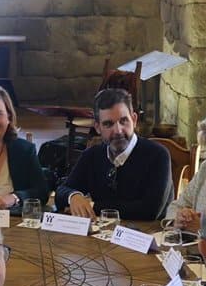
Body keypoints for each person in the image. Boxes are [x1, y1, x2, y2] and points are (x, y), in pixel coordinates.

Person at [56, 88, 172, 221]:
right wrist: (73, 196)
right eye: (108, 124)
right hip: (101, 236)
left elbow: (150, 211)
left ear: (134, 120)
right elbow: (61, 192)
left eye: (123, 121)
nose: (118, 130)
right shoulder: (92, 155)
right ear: (98, 127)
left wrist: (93, 206)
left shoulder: (158, 155)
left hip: (148, 235)